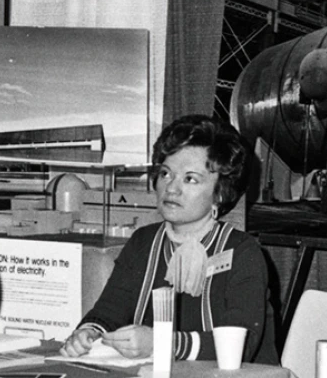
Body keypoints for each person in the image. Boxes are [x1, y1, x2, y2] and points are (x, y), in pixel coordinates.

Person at [60, 115, 278, 364]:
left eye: (190, 179)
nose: (171, 188)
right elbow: (109, 311)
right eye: (166, 174)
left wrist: (162, 343)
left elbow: (240, 346)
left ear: (220, 193)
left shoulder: (242, 252)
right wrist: (89, 333)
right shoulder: (143, 242)